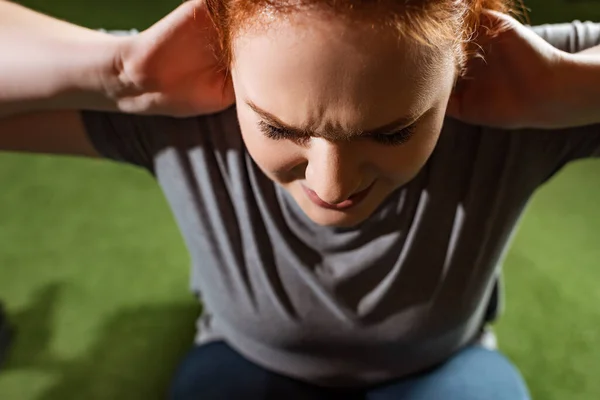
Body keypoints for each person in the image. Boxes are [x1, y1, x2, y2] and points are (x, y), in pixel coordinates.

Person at [1, 0, 599, 398]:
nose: (333, 187)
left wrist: (573, 87)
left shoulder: (518, 80)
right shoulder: (175, 95)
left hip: (444, 364)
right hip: (244, 359)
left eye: (391, 131)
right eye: (280, 129)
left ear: (464, 65)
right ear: (224, 65)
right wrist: (119, 71)